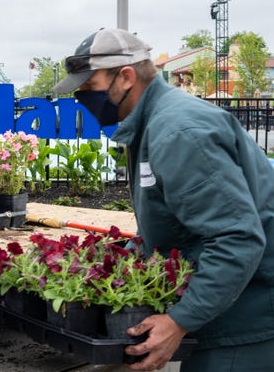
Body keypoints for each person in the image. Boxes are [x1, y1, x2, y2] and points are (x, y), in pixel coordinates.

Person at [54, 28, 274, 372]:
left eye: (88, 88)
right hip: (228, 307)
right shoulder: (153, 122)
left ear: (125, 77)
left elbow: (237, 238)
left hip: (247, 320)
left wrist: (179, 321)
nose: (83, 99)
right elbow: (178, 221)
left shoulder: (178, 132)